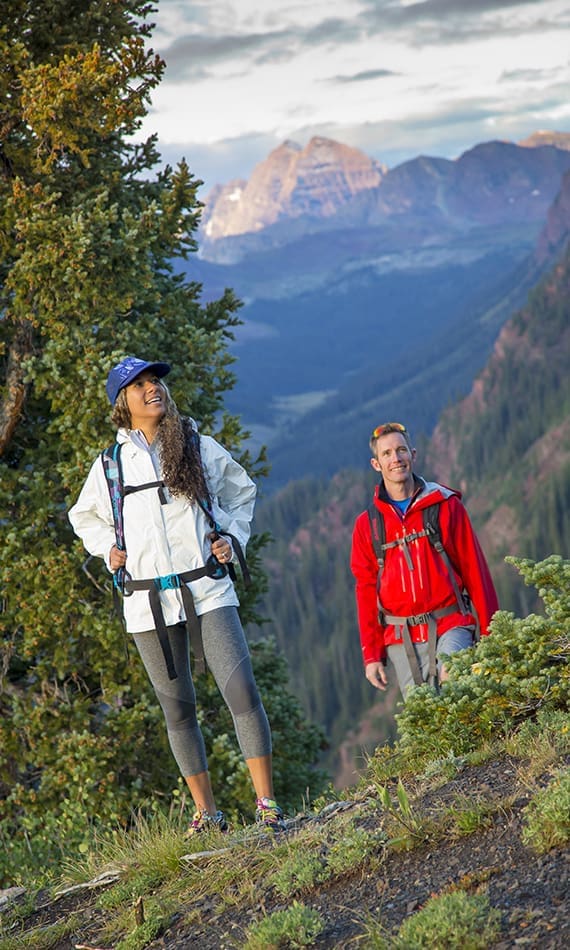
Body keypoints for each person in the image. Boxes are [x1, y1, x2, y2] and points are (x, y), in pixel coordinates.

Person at [69, 356, 285, 835]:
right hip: (146, 603)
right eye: (139, 385)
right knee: (178, 710)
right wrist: (109, 550)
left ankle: (267, 805)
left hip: (206, 587)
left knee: (242, 692)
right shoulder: (109, 466)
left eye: (155, 382)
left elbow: (241, 492)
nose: (152, 389)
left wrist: (231, 536)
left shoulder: (194, 445)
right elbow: (82, 517)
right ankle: (207, 815)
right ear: (122, 403)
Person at [350, 422, 499, 698]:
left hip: (451, 621)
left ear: (413, 455)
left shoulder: (445, 505)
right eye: (387, 454)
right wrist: (371, 655)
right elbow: (366, 591)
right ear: (376, 464)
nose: (396, 459)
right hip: (401, 637)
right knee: (425, 719)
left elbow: (474, 569)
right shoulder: (367, 526)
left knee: (454, 683)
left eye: (401, 450)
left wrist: (492, 631)